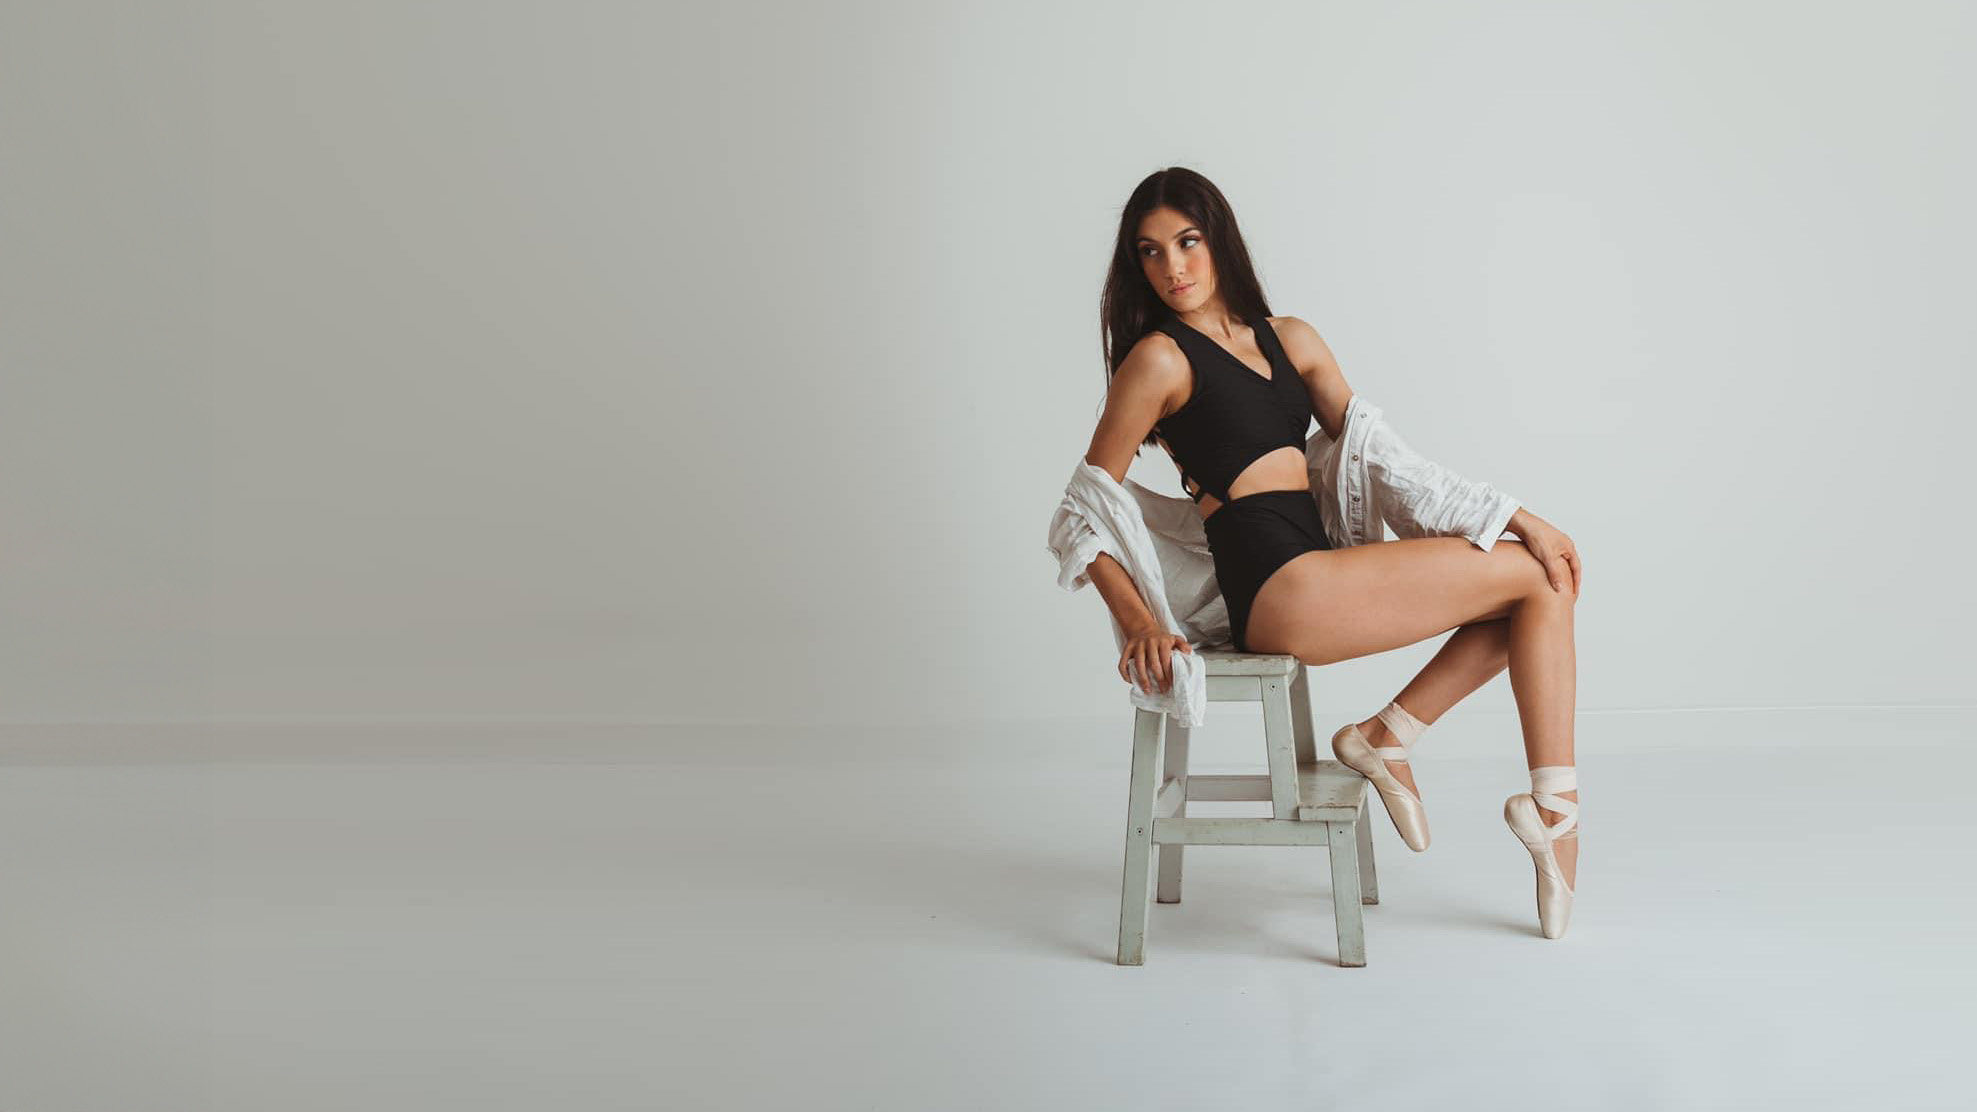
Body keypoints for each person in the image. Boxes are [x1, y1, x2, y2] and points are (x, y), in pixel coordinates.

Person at [1079, 167, 1585, 939]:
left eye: (1187, 242)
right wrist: (1139, 622)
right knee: (1535, 577)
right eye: (1149, 252)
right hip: (1276, 589)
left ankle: (1398, 743)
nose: (1172, 267)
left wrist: (1516, 515)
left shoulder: (1292, 339)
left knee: (1541, 582)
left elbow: (1386, 459)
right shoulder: (1159, 360)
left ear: (1218, 241)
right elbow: (1085, 510)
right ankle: (1545, 810)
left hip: (1315, 570)